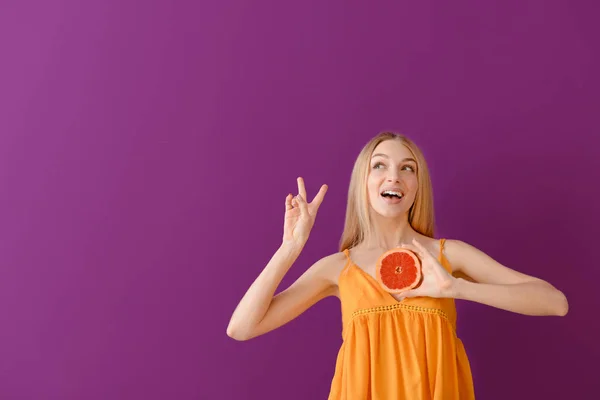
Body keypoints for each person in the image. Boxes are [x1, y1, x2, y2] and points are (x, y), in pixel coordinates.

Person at [226, 131, 569, 399]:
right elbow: (241, 328)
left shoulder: (450, 255)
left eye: (408, 168)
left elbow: (554, 302)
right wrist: (290, 247)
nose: (394, 176)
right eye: (380, 165)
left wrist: (458, 288)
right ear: (364, 181)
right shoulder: (336, 269)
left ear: (417, 187)